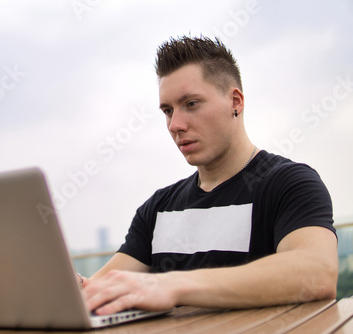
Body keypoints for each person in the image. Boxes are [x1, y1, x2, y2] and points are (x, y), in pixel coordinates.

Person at [80, 35, 338, 315]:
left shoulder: (290, 184)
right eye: (168, 111)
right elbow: (99, 292)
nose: (175, 125)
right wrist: (73, 288)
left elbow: (316, 273)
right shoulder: (158, 208)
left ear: (235, 102)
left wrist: (174, 285)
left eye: (191, 103)